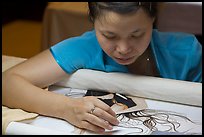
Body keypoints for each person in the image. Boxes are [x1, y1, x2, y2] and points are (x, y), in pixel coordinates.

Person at [2, 2, 202, 133]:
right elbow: (8, 82)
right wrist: (66, 108)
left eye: (136, 34)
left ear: (153, 20)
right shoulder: (85, 48)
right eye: (110, 36)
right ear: (93, 21)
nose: (123, 49)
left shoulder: (185, 51)